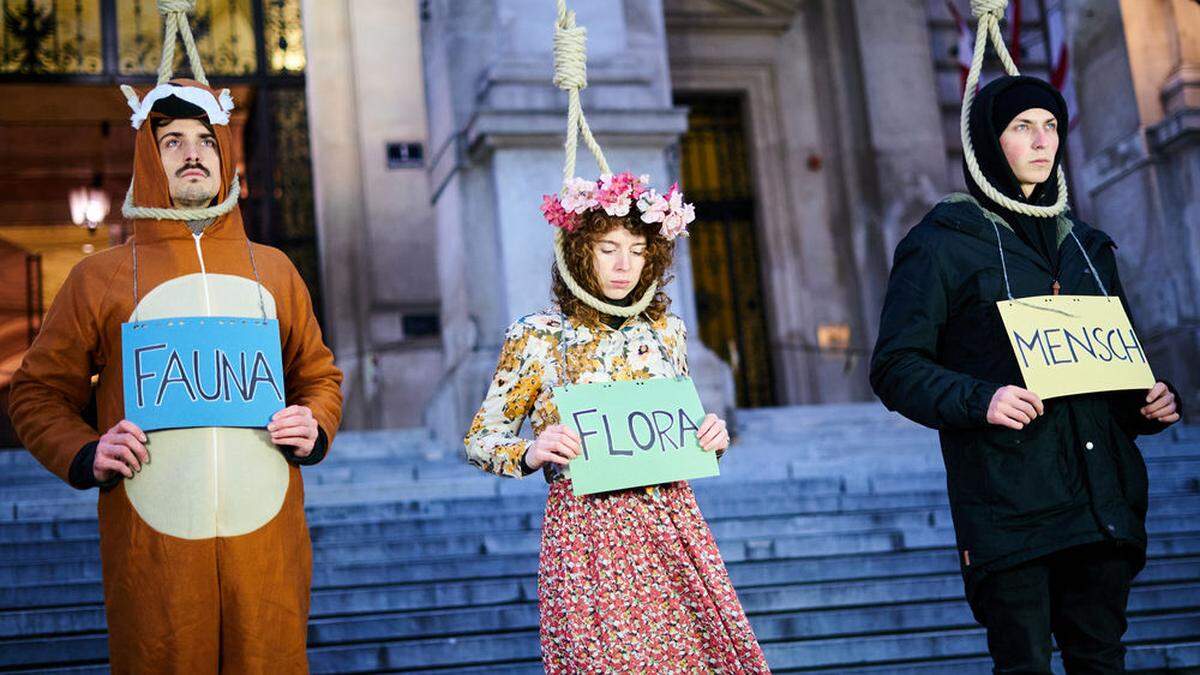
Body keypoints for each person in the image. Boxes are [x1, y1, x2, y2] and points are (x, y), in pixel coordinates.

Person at [8, 78, 343, 673]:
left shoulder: (276, 272)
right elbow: (36, 393)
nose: (193, 153)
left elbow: (318, 375)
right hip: (153, 550)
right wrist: (85, 451)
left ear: (226, 155)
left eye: (206, 141)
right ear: (148, 158)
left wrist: (313, 421)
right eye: (172, 142)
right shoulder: (101, 278)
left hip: (265, 548)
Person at [870, 75, 1180, 673]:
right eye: (1021, 127)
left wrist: (1149, 404)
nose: (1042, 141)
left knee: (1102, 662)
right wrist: (980, 399)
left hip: (1101, 506)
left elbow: (1119, 367)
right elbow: (894, 366)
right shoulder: (939, 244)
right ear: (988, 142)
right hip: (1010, 508)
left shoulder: (1088, 245)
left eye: (1052, 126)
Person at [465, 173, 768, 672]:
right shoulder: (537, 336)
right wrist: (531, 450)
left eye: (637, 249)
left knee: (696, 660)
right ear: (580, 253)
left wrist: (710, 437)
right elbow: (481, 438)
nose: (624, 264)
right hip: (588, 532)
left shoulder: (667, 331)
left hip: (671, 522)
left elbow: (679, 427)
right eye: (608, 249)